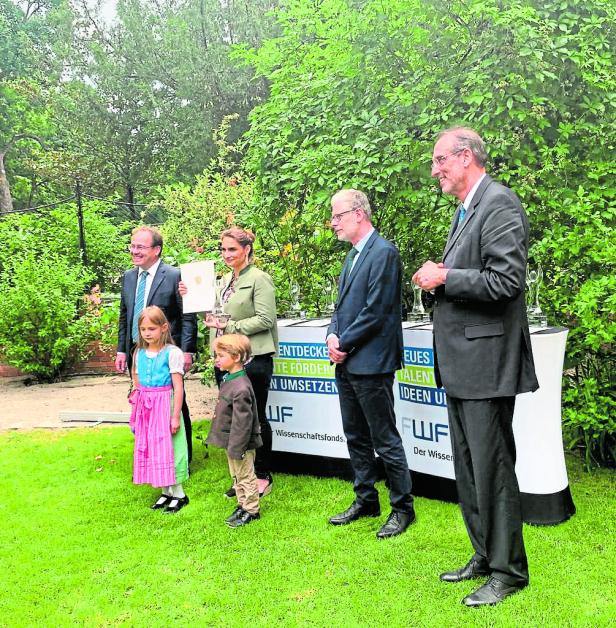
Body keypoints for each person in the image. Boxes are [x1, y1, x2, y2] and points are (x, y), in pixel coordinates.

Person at [413, 127, 539, 606]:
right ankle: (485, 555)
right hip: (463, 365)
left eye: (440, 159)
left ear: (465, 157)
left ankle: (508, 573)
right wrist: (438, 283)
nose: (435, 169)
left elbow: (506, 281)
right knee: (468, 469)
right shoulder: (467, 211)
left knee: (492, 470)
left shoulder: (499, 203)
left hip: (487, 364)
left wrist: (445, 276)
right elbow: (470, 280)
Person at [326, 189, 415, 539]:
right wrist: (333, 337)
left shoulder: (384, 253)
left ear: (359, 214)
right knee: (356, 435)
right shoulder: (352, 257)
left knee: (384, 438)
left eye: (338, 216)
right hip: (348, 363)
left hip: (373, 364)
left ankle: (402, 508)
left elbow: (376, 312)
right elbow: (340, 307)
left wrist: (344, 343)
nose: (333, 223)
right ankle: (366, 499)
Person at [179, 227, 277, 498]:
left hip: (253, 359)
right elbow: (213, 316)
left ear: (246, 250)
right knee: (234, 420)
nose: (226, 254)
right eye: (223, 249)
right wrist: (192, 296)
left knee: (255, 419)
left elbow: (266, 320)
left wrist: (229, 324)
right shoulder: (223, 281)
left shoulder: (260, 279)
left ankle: (262, 475)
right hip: (227, 361)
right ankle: (243, 476)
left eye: (232, 249)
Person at [116, 226, 197, 462]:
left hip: (166, 354)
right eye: (132, 246)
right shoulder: (129, 277)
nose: (134, 251)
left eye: (140, 247)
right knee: (144, 403)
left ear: (156, 250)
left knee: (175, 404)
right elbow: (125, 316)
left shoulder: (174, 276)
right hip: (138, 353)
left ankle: (183, 458)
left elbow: (187, 316)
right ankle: (154, 456)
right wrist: (122, 350)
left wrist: (187, 351)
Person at [128, 306, 189, 513]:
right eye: (143, 329)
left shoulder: (172, 353)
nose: (147, 333)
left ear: (164, 328)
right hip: (146, 407)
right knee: (153, 447)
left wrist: (175, 416)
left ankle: (179, 493)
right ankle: (165, 491)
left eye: (152, 329)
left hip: (165, 405)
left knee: (169, 448)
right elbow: (136, 380)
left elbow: (178, 387)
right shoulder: (139, 352)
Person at [207, 334, 262, 528]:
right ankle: (242, 504)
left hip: (241, 444)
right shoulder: (230, 378)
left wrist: (237, 447)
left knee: (246, 476)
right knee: (237, 476)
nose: (217, 359)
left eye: (221, 355)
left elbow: (243, 423)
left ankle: (252, 510)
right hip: (232, 443)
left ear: (236, 357)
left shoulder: (241, 387)